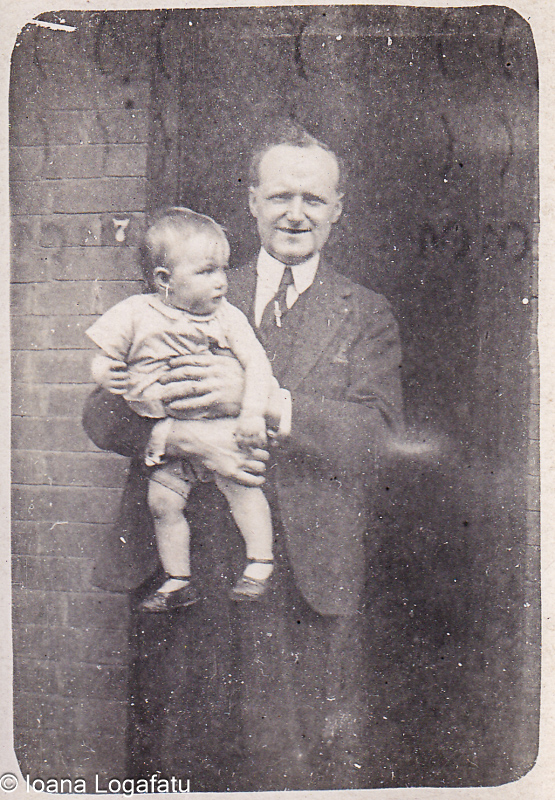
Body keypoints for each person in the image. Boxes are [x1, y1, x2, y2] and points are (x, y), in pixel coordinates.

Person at [83, 120, 404, 790]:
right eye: (280, 195)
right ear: (251, 200)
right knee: (176, 764)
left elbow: (375, 437)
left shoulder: (365, 312)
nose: (295, 213)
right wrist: (176, 437)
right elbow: (102, 409)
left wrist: (266, 400)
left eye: (313, 200)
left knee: (284, 769)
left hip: (293, 582)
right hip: (191, 567)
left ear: (337, 210)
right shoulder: (190, 287)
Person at [86, 208, 276, 611]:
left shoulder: (227, 317)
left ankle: (260, 564)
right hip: (170, 435)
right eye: (207, 271)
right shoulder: (136, 312)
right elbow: (104, 355)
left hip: (224, 429)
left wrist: (252, 413)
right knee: (162, 502)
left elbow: (258, 364)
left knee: (242, 487)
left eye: (223, 269)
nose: (222, 281)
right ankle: (178, 579)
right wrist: (108, 374)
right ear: (164, 280)